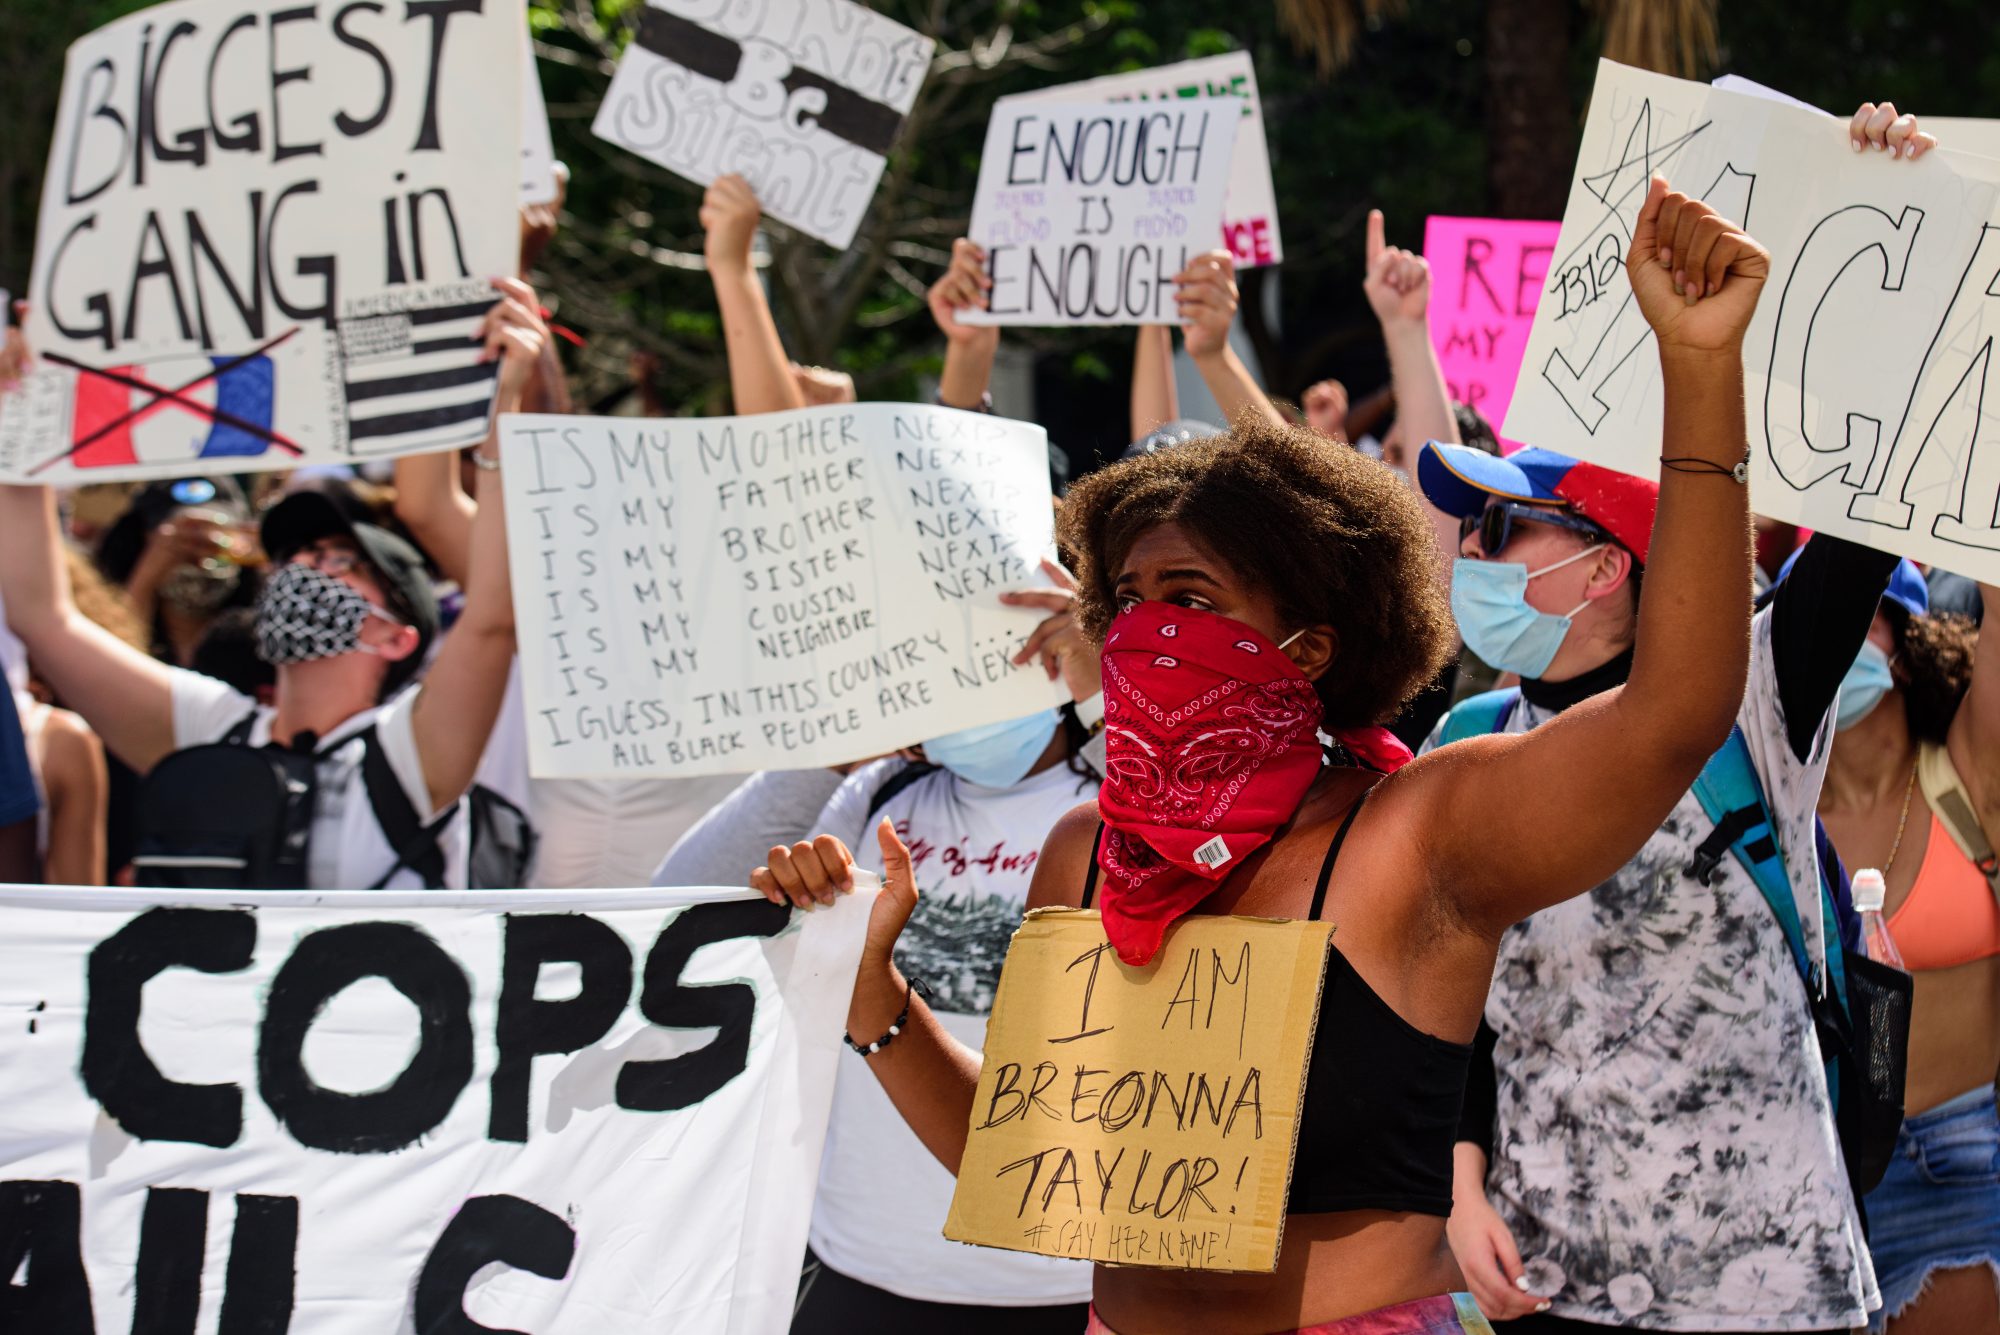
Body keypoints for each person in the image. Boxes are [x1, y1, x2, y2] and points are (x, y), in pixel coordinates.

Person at [755, 176, 1763, 1335]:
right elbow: (1034, 1155)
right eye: (1124, 598)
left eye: (1189, 596)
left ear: (1312, 642)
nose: (1144, 630)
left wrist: (1698, 372)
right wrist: (868, 986)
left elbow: (1674, 709)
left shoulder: (1414, 833)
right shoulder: (1086, 853)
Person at [0, 282, 544, 890]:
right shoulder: (213, 731)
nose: (308, 565)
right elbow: (41, 614)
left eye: (342, 561)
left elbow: (493, 617)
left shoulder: (410, 753)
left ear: (396, 637)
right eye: (298, 554)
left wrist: (502, 409)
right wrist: (20, 410)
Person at [785, 569, 1104, 1332]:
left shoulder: (1121, 791)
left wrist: (1107, 703)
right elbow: (684, 881)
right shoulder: (876, 793)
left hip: (1065, 1287)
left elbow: (1201, 851)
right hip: (859, 1267)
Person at [1811, 557, 1999, 1335]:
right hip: (1818, 1176)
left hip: (1961, 1160)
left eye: (1859, 609)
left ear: (1908, 639)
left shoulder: (1967, 773)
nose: (1827, 629)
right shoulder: (1773, 808)